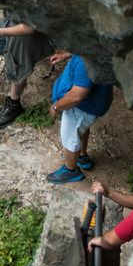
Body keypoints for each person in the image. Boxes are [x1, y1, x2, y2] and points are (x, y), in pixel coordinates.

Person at [46, 51, 112, 184]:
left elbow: (77, 96)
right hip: (95, 101)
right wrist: (68, 54)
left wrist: (56, 107)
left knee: (70, 136)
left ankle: (71, 171)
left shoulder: (85, 62)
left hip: (83, 107)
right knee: (80, 128)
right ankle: (82, 157)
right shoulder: (94, 44)